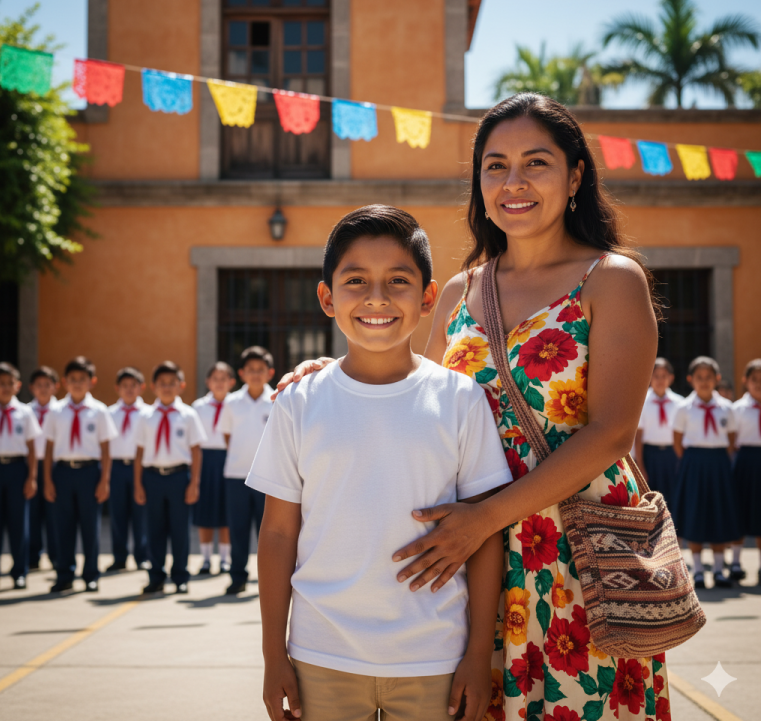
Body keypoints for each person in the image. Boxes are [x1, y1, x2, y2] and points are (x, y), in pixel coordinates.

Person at [276, 94, 671, 719]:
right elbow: (414, 386)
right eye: (495, 166)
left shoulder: (611, 278)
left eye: (535, 163)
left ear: (574, 177)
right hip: (471, 570)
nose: (513, 182)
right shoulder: (462, 289)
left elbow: (611, 434)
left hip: (577, 555)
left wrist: (482, 521)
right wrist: (332, 371)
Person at [250, 205, 511, 721]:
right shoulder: (298, 402)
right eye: (355, 280)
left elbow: (485, 534)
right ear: (327, 298)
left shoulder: (460, 399)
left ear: (427, 297)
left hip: (434, 655)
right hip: (320, 654)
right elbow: (279, 534)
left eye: (398, 280)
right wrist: (272, 654)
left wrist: (479, 655)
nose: (376, 298)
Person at [43, 356, 117, 593]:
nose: (77, 384)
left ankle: (91, 575)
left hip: (89, 473)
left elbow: (106, 448)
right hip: (63, 472)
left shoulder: (99, 411)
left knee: (90, 527)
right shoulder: (56, 411)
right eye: (73, 379)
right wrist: (47, 479)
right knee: (63, 526)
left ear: (91, 382)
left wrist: (104, 480)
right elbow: (49, 448)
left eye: (82, 379)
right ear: (64, 382)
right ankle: (64, 574)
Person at [134, 361, 206, 594]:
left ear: (181, 386)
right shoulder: (146, 415)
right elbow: (139, 452)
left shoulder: (188, 415)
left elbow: (196, 451)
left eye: (171, 383)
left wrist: (194, 483)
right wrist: (138, 484)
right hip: (152, 477)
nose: (167, 387)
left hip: (178, 478)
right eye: (162, 383)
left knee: (179, 530)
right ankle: (155, 576)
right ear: (153, 387)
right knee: (154, 529)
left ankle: (180, 576)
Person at [671, 356, 739, 589]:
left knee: (719, 513)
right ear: (691, 380)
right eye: (699, 378)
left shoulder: (727, 408)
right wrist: (696, 461)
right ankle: (698, 570)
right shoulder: (683, 408)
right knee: (695, 513)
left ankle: (720, 570)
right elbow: (677, 442)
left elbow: (731, 440)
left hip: (719, 463)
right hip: (694, 464)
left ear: (717, 379)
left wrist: (716, 459)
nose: (704, 382)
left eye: (709, 377)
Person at [219, 346, 275, 595]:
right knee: (238, 530)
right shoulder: (231, 403)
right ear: (241, 373)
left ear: (269, 373)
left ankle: (271, 580)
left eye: (260, 370)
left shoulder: (277, 400)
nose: (255, 374)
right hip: (236, 477)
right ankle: (238, 577)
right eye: (250, 370)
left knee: (269, 533)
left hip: (268, 478)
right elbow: (227, 436)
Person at [0, 362, 40, 590]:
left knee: (18, 523)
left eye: (9, 383)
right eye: (1, 383)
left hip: (16, 469)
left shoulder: (25, 412)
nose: (5, 387)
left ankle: (19, 571)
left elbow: (32, 449)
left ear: (18, 386)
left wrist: (32, 477)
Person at [192, 362, 235, 576]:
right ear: (208, 382)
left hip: (229, 458)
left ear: (232, 382)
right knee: (206, 510)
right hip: (205, 460)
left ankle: (226, 559)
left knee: (227, 511)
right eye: (215, 379)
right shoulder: (198, 407)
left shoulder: (235, 405)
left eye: (224, 379)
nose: (219, 383)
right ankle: (206, 558)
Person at [106, 367, 150, 572]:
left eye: (133, 385)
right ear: (117, 388)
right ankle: (119, 556)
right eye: (125, 386)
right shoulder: (109, 413)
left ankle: (142, 555)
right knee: (118, 513)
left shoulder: (148, 413)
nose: (129, 390)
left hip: (139, 467)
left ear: (141, 388)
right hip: (116, 467)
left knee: (140, 513)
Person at [634, 358, 684, 512]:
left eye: (664, 376)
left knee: (674, 493)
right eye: (656, 376)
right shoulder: (641, 402)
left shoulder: (680, 403)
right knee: (651, 495)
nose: (660, 380)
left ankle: (676, 532)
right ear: (649, 377)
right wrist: (640, 464)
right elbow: (638, 436)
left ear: (671, 378)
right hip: (650, 455)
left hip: (672, 454)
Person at [730, 358, 761, 585]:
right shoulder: (737, 408)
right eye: (754, 380)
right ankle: (736, 563)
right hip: (744, 462)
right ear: (745, 381)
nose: (758, 384)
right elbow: (731, 440)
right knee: (740, 510)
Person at [27, 365, 60, 570]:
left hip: (55, 466)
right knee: (32, 513)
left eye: (47, 385)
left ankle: (56, 556)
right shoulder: (25, 411)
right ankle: (33, 556)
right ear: (31, 388)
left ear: (55, 387)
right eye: (39, 385)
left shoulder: (61, 411)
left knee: (54, 513)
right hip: (30, 466)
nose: (43, 389)